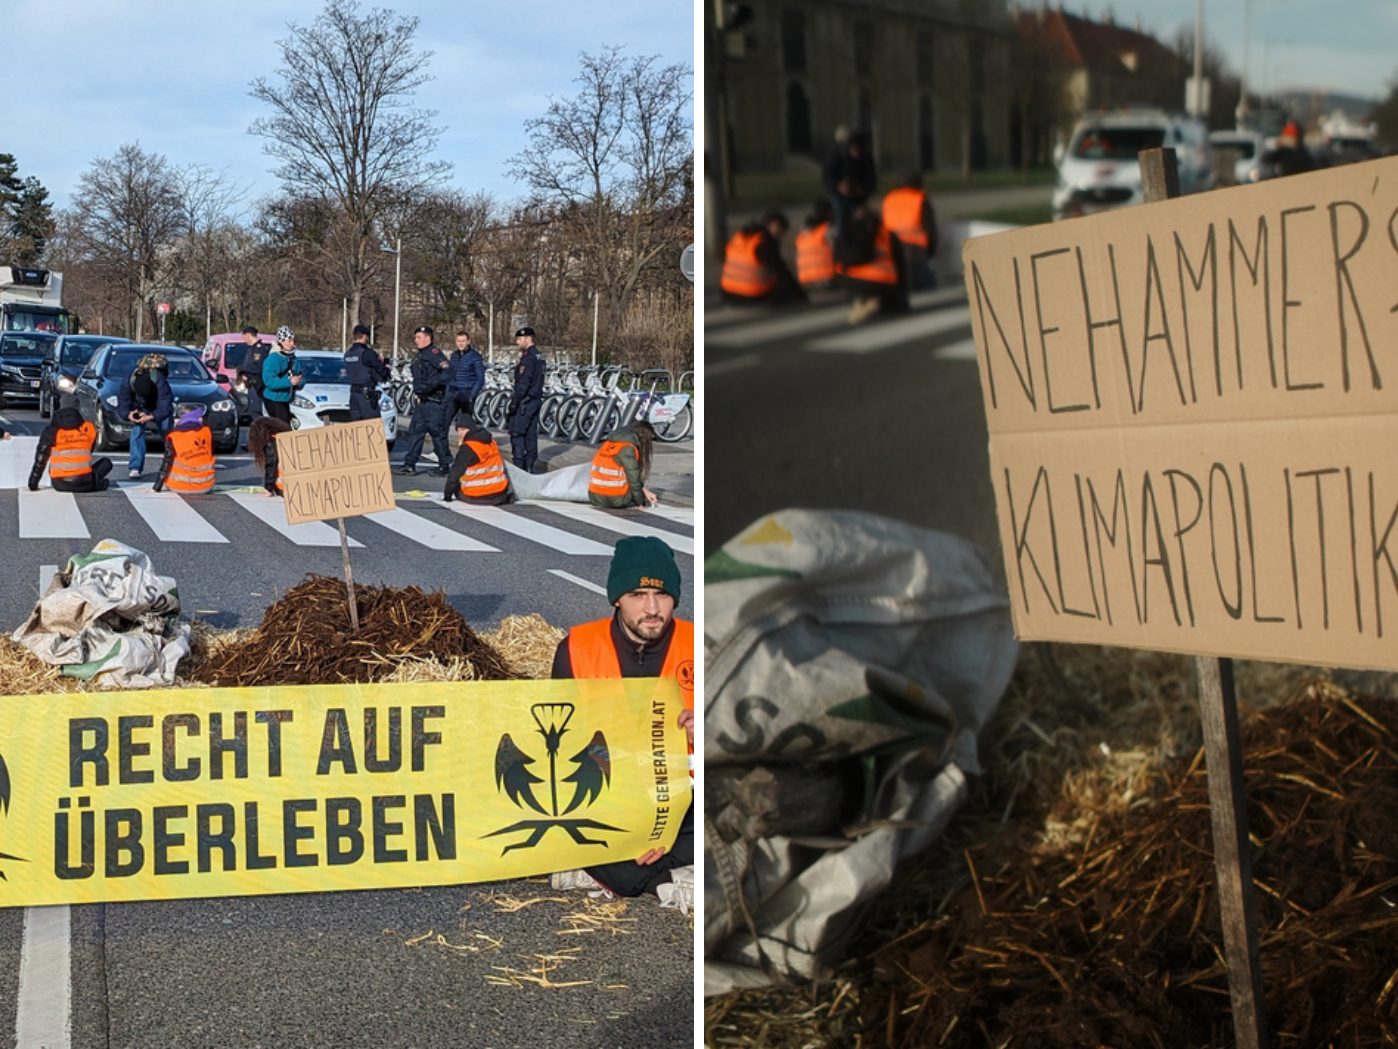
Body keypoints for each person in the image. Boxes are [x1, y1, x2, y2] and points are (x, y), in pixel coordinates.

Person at [550, 536, 694, 898]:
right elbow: (561, 745)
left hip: (686, 800)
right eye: (637, 595)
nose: (651, 608)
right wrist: (637, 822)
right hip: (611, 797)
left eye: (661, 595)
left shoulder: (702, 645)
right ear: (617, 598)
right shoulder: (576, 649)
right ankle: (673, 877)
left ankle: (632, 872)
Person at [397, 325, 452, 476]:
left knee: (437, 434)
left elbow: (447, 373)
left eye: (419, 337)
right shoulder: (421, 355)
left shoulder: (434, 354)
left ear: (428, 338)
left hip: (434, 402)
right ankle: (409, 464)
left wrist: (430, 386)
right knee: (415, 432)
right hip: (422, 402)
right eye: (415, 337)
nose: (416, 340)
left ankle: (444, 466)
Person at [839, 206, 908, 324]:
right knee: (898, 307)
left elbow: (838, 260)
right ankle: (874, 302)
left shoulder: (845, 233)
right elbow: (900, 267)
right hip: (881, 282)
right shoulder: (887, 235)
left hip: (851, 283)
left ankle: (862, 300)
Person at [28, 395, 111, 492]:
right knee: (106, 463)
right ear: (77, 408)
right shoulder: (89, 428)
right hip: (84, 481)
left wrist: (33, 483)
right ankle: (94, 483)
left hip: (59, 483)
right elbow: (88, 451)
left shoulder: (51, 431)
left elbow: (40, 460)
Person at [719, 210, 805, 305]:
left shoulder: (738, 237)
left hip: (728, 295)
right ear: (775, 226)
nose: (780, 238)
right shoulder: (764, 243)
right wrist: (801, 295)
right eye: (782, 232)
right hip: (751, 296)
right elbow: (781, 273)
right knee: (784, 292)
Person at [116, 351, 172, 479]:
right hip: (139, 406)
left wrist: (152, 416)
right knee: (137, 432)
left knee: (168, 432)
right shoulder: (129, 381)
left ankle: (174, 462)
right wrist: (128, 414)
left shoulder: (159, 380)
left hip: (157, 404)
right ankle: (135, 467)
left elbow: (165, 405)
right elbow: (123, 402)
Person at [881, 172, 939, 290]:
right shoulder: (920, 200)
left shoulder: (889, 198)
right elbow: (930, 229)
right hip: (915, 248)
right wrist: (931, 251)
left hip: (891, 247)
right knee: (928, 283)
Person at [441, 413, 513, 505]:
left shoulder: (468, 448)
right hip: (499, 493)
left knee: (457, 487)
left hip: (477, 494)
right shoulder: (491, 442)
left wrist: (447, 496)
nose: (459, 434)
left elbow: (455, 474)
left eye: (462, 430)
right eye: (458, 431)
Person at [822, 126, 877, 243]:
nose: (856, 152)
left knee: (862, 220)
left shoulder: (866, 159)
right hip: (839, 196)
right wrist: (838, 186)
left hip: (858, 197)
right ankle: (842, 243)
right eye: (853, 149)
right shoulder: (838, 156)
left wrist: (862, 189)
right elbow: (828, 177)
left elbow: (871, 180)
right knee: (841, 217)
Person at [589, 421, 658, 509]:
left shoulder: (608, 443)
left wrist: (645, 491)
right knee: (632, 480)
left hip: (595, 497)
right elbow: (634, 480)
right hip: (617, 499)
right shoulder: (628, 448)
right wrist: (640, 502)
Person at [505, 326, 545, 473]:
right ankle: (530, 466)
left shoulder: (528, 359)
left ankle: (519, 467)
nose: (517, 342)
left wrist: (514, 403)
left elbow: (523, 384)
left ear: (528, 339)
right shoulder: (538, 356)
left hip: (525, 402)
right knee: (531, 435)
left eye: (520, 339)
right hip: (535, 400)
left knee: (517, 433)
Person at [153, 406, 215, 494]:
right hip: (206, 486)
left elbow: (166, 463)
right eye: (198, 417)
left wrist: (157, 486)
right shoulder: (206, 432)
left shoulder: (174, 437)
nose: (202, 419)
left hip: (181, 486)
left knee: (174, 458)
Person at [344, 323, 390, 422]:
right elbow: (382, 371)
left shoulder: (348, 354)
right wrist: (386, 366)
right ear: (365, 336)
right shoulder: (367, 353)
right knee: (372, 426)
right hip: (366, 396)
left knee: (357, 428)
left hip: (353, 395)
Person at [261, 326, 302, 425]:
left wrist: (299, 382)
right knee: (282, 427)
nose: (292, 343)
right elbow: (269, 382)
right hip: (273, 399)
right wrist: (289, 382)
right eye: (289, 340)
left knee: (286, 425)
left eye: (293, 340)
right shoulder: (273, 359)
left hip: (286, 399)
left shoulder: (293, 358)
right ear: (281, 341)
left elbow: (300, 373)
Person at [446, 330, 486, 430]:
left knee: (465, 426)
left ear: (468, 341)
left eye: (463, 341)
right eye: (458, 341)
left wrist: (471, 396)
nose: (460, 343)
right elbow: (449, 375)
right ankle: (442, 446)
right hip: (453, 394)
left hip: (466, 394)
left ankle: (466, 445)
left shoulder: (475, 357)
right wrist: (448, 392)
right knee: (443, 423)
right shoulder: (454, 356)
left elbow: (480, 379)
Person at [795, 200, 837, 292]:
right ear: (830, 213)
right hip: (826, 279)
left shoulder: (801, 234)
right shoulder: (828, 229)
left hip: (805, 281)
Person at [236, 325, 269, 430]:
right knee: (252, 411)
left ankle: (260, 439)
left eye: (244, 336)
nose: (244, 339)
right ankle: (256, 439)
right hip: (251, 384)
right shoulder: (252, 349)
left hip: (256, 385)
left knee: (255, 412)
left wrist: (243, 369)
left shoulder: (259, 349)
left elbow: (257, 366)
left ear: (248, 335)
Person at [249, 416, 292, 496]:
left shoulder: (270, 441)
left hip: (284, 487)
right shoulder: (284, 436)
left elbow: (271, 463)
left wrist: (268, 488)